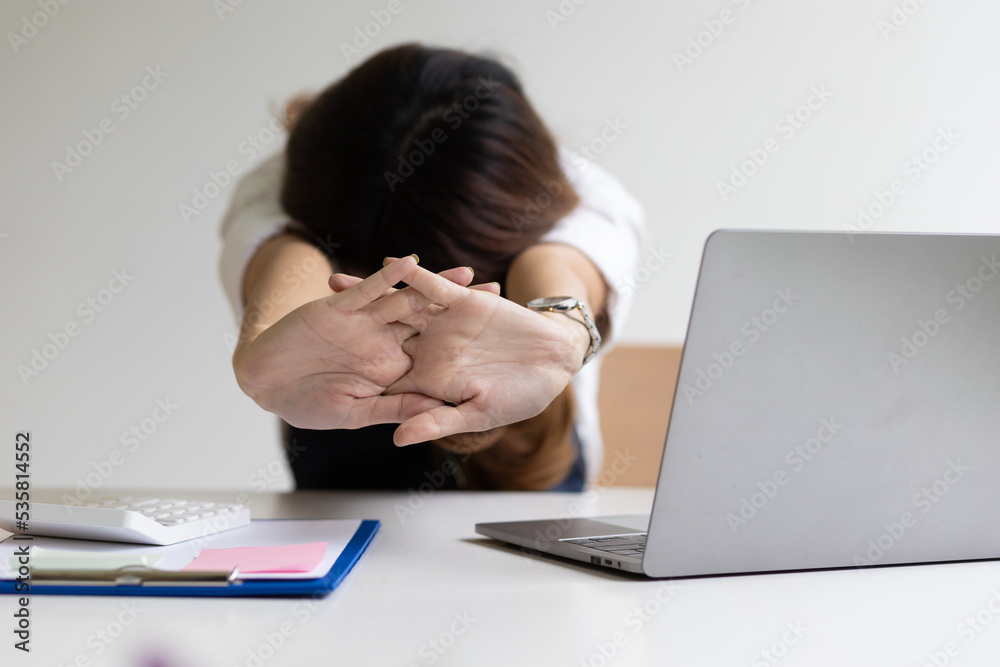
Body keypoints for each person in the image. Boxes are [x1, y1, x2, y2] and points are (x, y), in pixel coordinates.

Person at [219, 43, 644, 492]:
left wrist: (561, 333)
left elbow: (559, 259)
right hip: (336, 416)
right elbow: (287, 253)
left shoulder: (582, 193)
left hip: (534, 469)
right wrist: (262, 341)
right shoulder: (279, 185)